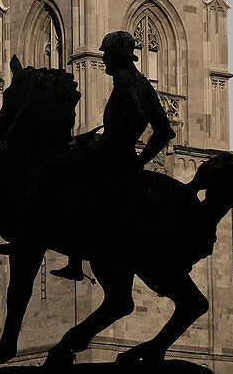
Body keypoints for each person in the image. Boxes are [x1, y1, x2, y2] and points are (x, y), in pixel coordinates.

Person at [50, 29, 176, 281]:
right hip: (126, 159)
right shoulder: (144, 84)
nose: (104, 59)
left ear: (118, 56)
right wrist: (140, 161)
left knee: (65, 180)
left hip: (111, 159)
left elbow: (133, 114)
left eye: (107, 53)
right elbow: (164, 132)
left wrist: (103, 144)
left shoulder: (125, 79)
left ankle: (73, 260)